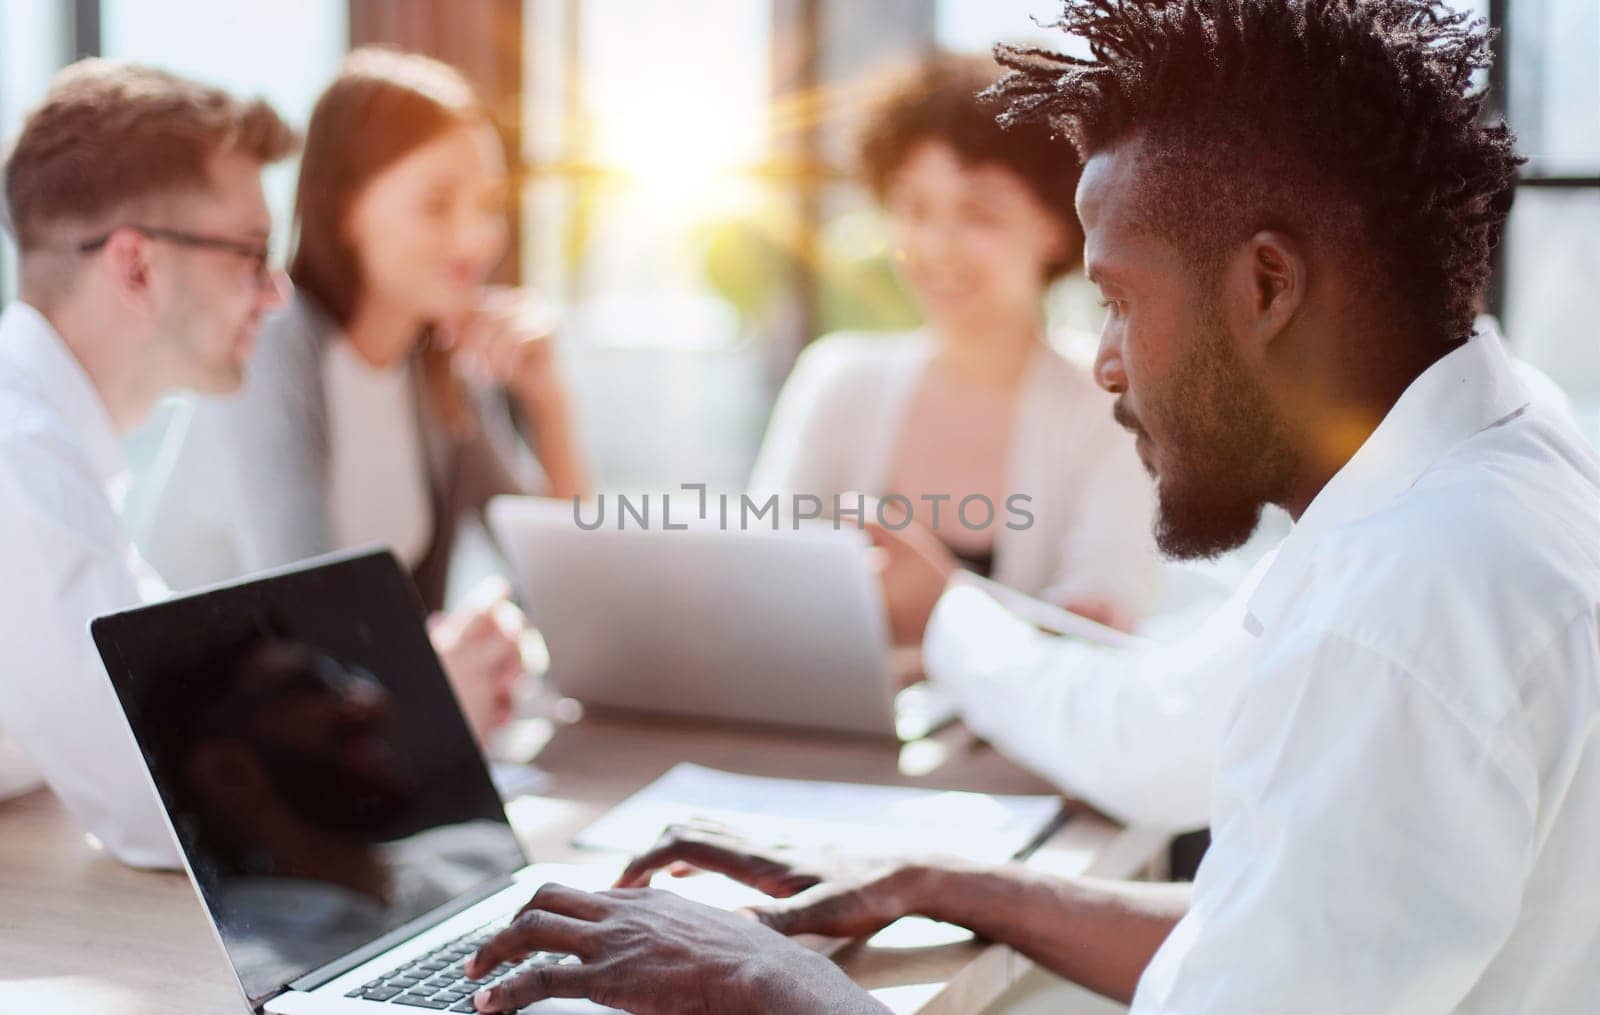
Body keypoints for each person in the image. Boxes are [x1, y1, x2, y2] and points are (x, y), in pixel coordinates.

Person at [453, 4, 1600, 1012]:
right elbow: (1270, 940)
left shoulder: (1398, 616)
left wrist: (764, 977)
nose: (1102, 363)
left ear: (1265, 285)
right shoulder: (1499, 462)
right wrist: (940, 881)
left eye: (1114, 300)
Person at [0, 60, 525, 870]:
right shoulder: (20, 460)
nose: (277, 294)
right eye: (249, 255)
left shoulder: (67, 458)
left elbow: (177, 718)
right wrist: (420, 705)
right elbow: (172, 803)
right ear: (137, 267)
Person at [142, 48, 591, 613]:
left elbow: (567, 590)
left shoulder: (437, 371)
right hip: (202, 696)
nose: (477, 239)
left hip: (344, 698)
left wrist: (549, 400)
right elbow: (306, 616)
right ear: (346, 211)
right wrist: (446, 664)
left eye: (488, 205)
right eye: (436, 205)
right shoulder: (269, 344)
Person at [750, 54, 1160, 631]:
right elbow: (758, 582)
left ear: (1058, 224)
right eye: (913, 208)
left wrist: (943, 606)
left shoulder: (1110, 410)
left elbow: (1103, 627)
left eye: (978, 213)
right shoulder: (838, 381)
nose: (936, 247)